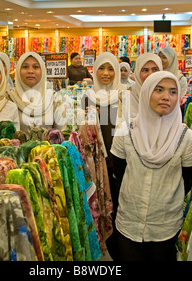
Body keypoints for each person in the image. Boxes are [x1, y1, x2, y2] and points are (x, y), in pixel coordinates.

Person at [111, 71, 192, 261]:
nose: (166, 97)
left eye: (173, 92)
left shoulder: (187, 138)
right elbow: (118, 174)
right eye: (159, 90)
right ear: (146, 92)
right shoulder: (125, 132)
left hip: (166, 225)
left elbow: (188, 179)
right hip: (129, 221)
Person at [81, 51, 129, 260]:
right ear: (94, 70)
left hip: (121, 160)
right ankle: (106, 248)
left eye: (111, 69)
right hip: (98, 164)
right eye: (102, 68)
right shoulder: (87, 96)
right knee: (101, 206)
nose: (106, 73)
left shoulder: (124, 94)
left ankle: (121, 248)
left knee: (120, 204)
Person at [7, 51, 68, 135]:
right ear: (18, 71)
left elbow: (62, 133)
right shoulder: (9, 98)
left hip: (49, 148)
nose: (30, 71)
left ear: (42, 71)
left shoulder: (53, 99)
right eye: (25, 67)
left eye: (35, 67)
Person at [130, 53, 162, 118]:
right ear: (138, 73)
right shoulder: (130, 95)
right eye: (145, 70)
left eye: (155, 70)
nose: (150, 74)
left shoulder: (167, 93)